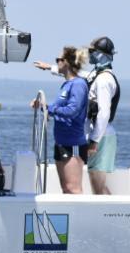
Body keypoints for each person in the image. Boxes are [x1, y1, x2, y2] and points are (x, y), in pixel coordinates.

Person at [31, 46, 89, 194]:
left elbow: (72, 111)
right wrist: (42, 107)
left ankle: (80, 217)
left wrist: (48, 108)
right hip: (61, 143)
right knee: (65, 189)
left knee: (73, 189)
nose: (56, 62)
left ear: (67, 62)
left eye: (59, 59)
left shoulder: (78, 85)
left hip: (73, 143)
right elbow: (58, 110)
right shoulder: (66, 85)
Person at [85, 36, 120, 195]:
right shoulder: (98, 75)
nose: (89, 54)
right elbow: (79, 74)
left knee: (97, 185)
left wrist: (94, 141)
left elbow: (104, 113)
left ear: (101, 54)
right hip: (101, 135)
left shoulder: (104, 80)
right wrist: (51, 68)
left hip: (101, 136)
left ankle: (112, 218)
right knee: (96, 182)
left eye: (92, 51)